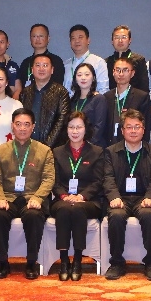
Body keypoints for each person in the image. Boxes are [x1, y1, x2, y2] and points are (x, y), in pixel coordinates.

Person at [0, 108, 55, 280]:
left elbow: (48, 179)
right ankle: (2, 262)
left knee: (33, 216)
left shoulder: (45, 151)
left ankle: (31, 262)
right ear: (12, 126)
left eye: (26, 124)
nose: (22, 128)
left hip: (33, 197)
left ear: (33, 127)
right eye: (18, 124)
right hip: (7, 197)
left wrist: (38, 198)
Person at [103, 109, 151, 281]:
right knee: (116, 216)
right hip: (120, 198)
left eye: (137, 127)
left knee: (149, 215)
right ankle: (117, 263)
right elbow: (107, 178)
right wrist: (114, 197)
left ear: (143, 130)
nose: (133, 131)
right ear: (122, 130)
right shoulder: (111, 151)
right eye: (129, 127)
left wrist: (150, 197)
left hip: (143, 198)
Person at [51, 111, 105, 281]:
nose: (75, 131)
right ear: (66, 129)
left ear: (85, 129)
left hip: (89, 201)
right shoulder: (57, 152)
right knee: (64, 209)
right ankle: (64, 260)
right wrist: (64, 196)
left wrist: (82, 196)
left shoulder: (97, 152)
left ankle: (78, 260)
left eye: (79, 127)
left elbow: (98, 181)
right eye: (71, 127)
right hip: (63, 199)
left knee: (78, 209)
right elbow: (54, 181)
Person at [19, 53, 70, 148]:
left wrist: (46, 146)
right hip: (27, 147)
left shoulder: (61, 92)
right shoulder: (25, 93)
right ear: (32, 70)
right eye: (38, 65)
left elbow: (61, 121)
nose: (41, 69)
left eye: (45, 65)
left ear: (52, 70)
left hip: (53, 148)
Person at [104, 56, 151, 144]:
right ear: (113, 72)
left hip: (132, 145)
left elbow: (146, 127)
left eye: (125, 70)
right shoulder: (107, 97)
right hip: (110, 146)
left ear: (132, 73)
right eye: (118, 70)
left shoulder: (141, 97)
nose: (121, 74)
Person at [69, 62, 108, 147]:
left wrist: (85, 146)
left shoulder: (99, 99)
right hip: (74, 145)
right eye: (79, 75)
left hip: (93, 147)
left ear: (93, 78)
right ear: (75, 79)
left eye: (87, 74)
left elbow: (99, 127)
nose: (83, 78)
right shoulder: (72, 100)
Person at [63, 24, 109, 94]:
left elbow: (103, 91)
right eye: (73, 38)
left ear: (88, 40)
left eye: (80, 37)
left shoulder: (98, 62)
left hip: (90, 101)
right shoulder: (65, 65)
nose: (77, 41)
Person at [105, 25, 148, 94]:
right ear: (112, 41)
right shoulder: (106, 62)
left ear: (130, 40)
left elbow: (144, 88)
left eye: (124, 37)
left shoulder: (139, 60)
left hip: (135, 99)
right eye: (117, 37)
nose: (120, 41)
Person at [19, 23, 65, 88]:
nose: (37, 39)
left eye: (41, 36)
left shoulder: (56, 61)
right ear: (30, 39)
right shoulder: (25, 63)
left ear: (48, 38)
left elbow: (58, 86)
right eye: (34, 36)